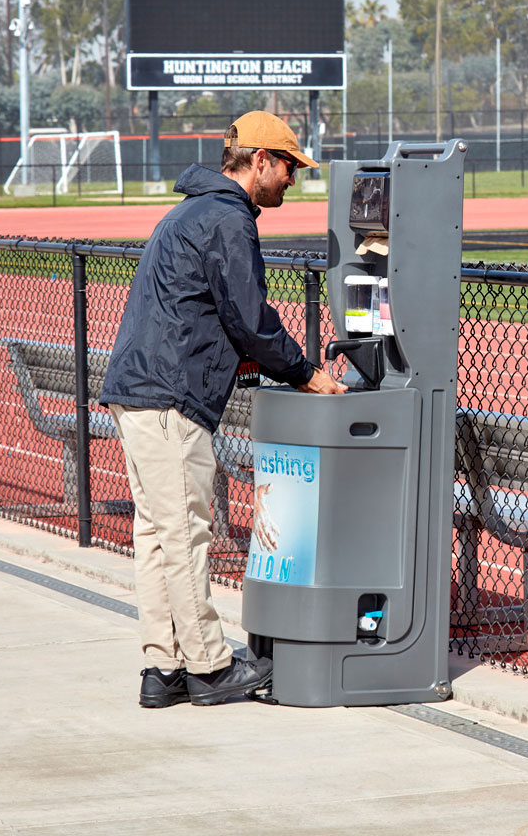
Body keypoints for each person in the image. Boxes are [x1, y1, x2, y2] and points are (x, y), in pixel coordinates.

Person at [100, 110, 345, 708]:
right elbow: (250, 318)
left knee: (158, 538)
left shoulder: (190, 211)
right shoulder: (228, 218)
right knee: (185, 535)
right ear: (260, 160)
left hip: (140, 392)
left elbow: (204, 310)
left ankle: (164, 669)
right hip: (169, 400)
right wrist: (307, 372)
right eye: (289, 166)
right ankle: (209, 668)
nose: (293, 179)